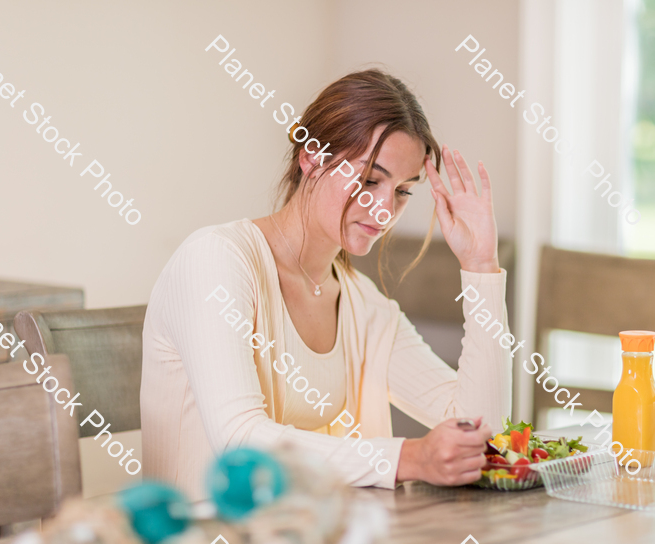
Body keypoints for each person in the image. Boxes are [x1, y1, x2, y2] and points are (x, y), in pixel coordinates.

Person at [140, 69, 512, 500]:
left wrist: (481, 265)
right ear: (311, 158)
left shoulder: (361, 304)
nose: (385, 208)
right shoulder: (215, 260)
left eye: (404, 191)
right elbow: (240, 441)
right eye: (371, 180)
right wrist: (408, 457)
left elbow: (482, 430)